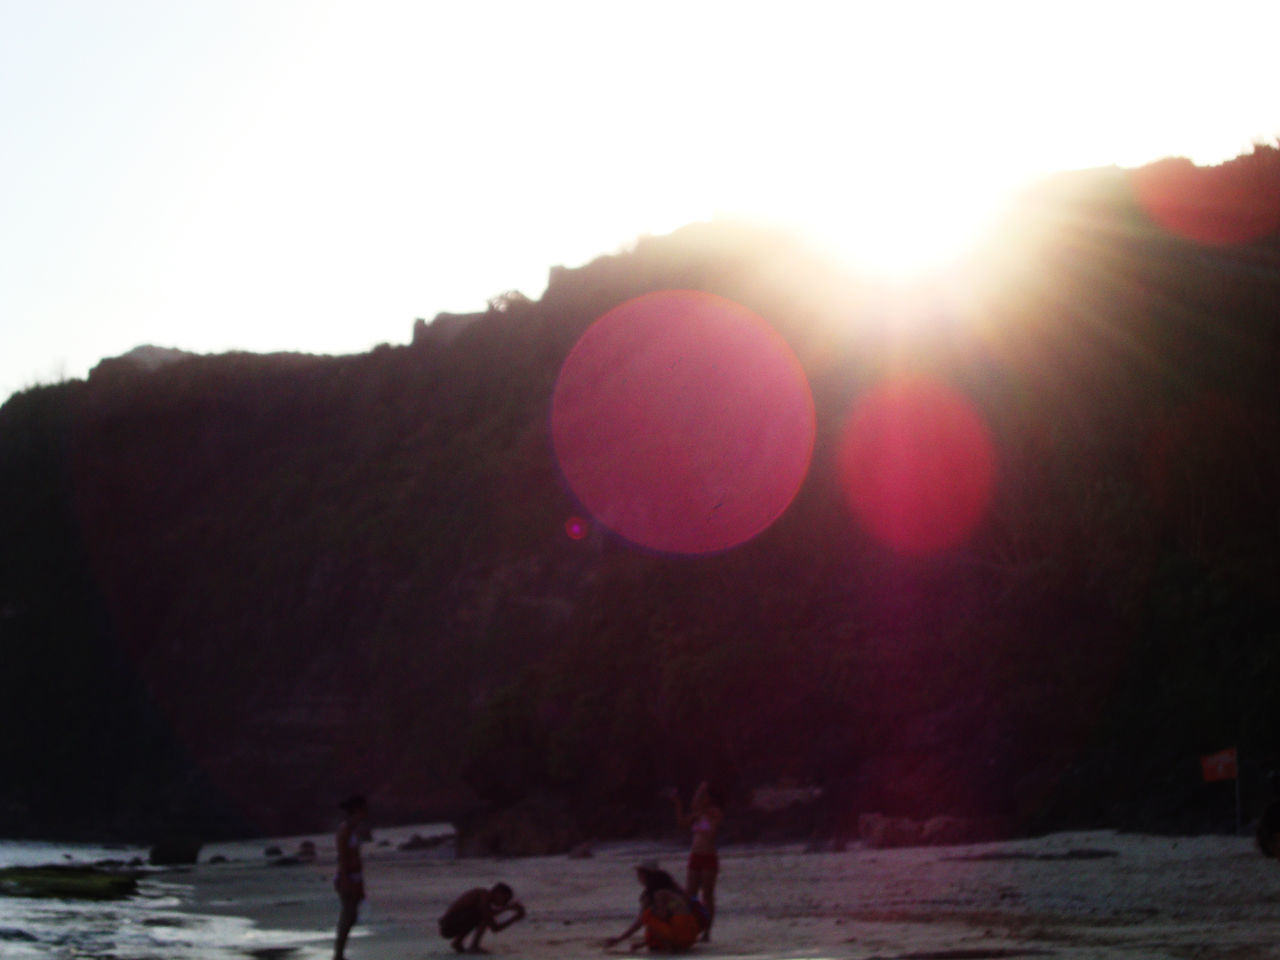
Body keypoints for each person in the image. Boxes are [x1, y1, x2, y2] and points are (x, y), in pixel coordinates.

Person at [604, 861, 700, 952]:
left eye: (639, 874)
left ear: (646, 875)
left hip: (680, 936)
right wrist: (643, 944)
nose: (638, 877)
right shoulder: (674, 891)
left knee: (648, 916)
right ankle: (666, 944)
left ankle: (668, 946)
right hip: (692, 934)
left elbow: (651, 919)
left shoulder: (657, 895)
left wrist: (620, 939)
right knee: (652, 917)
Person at [671, 781, 723, 941]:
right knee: (690, 894)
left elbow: (697, 806)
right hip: (695, 856)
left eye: (704, 796)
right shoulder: (697, 815)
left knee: (707, 895)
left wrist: (701, 789)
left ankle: (707, 931)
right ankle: (691, 927)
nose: (701, 798)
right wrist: (678, 805)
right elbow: (681, 822)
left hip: (708, 856)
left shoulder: (714, 812)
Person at [438, 882, 526, 953]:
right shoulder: (483, 897)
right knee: (482, 916)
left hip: (450, 924)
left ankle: (458, 942)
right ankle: (473, 946)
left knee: (481, 915)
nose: (504, 903)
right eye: (505, 900)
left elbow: (489, 914)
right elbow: (494, 927)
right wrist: (515, 918)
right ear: (498, 893)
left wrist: (507, 908)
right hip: (448, 925)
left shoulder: (482, 896)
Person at [333, 794, 370, 960]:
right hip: (347, 877)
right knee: (347, 916)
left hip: (355, 876)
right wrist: (346, 880)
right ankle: (338, 954)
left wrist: (360, 883)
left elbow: (356, 856)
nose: (366, 813)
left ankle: (340, 952)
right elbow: (342, 857)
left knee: (351, 916)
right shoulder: (345, 830)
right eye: (363, 809)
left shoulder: (354, 829)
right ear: (357, 810)